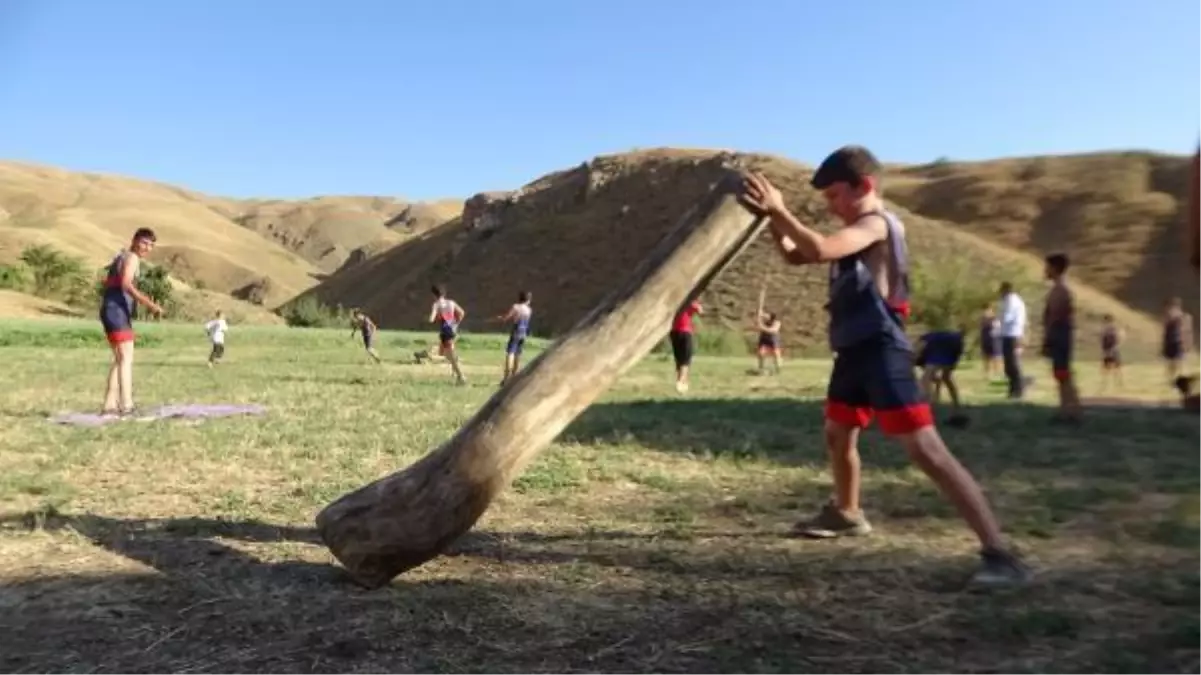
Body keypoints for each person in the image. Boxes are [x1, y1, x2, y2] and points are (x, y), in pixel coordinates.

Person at [740, 145, 1029, 587]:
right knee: (838, 434)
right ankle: (847, 512)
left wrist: (780, 210)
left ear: (866, 186)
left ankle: (999, 553)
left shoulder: (876, 224)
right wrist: (772, 221)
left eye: (836, 195)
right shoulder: (855, 227)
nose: (832, 206)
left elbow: (816, 249)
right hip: (853, 352)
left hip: (882, 351)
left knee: (925, 451)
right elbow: (796, 254)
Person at [99, 228, 164, 416]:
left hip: (111, 310)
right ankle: (126, 405)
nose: (147, 248)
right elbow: (126, 284)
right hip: (117, 311)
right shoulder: (132, 258)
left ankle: (109, 404)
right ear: (135, 240)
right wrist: (151, 305)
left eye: (151, 245)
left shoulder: (120, 257)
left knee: (120, 359)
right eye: (144, 243)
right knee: (126, 358)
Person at [1041, 253, 1081, 423]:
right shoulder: (1058, 289)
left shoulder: (1061, 291)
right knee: (1061, 374)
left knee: (1063, 374)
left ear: (1055, 268)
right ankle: (1067, 410)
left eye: (1048, 267)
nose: (1045, 270)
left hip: (1060, 336)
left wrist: (1048, 338)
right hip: (1060, 335)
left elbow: (1055, 316)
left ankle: (1072, 412)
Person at [915, 326, 968, 425]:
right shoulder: (923, 357)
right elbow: (936, 379)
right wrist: (936, 394)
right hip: (956, 343)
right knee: (946, 377)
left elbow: (917, 352)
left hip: (944, 344)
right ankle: (956, 406)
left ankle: (926, 410)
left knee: (925, 379)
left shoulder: (919, 348)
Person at [429, 285, 467, 384]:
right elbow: (462, 313)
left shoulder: (436, 304)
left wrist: (435, 317)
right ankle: (456, 372)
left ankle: (461, 376)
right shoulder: (451, 302)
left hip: (445, 331)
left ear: (434, 295)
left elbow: (431, 319)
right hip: (452, 330)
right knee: (445, 352)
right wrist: (456, 323)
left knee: (448, 354)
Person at [997, 282, 1027, 399]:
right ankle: (1013, 389)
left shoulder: (1011, 301)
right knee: (1009, 364)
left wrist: (998, 317)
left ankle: (1018, 389)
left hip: (1012, 334)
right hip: (1009, 334)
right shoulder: (1012, 300)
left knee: (1012, 363)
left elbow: (1006, 317)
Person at [497, 291, 533, 384]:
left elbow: (507, 317)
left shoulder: (516, 307)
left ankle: (506, 377)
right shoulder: (529, 310)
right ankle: (514, 376)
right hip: (523, 333)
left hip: (516, 331)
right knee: (518, 353)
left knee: (510, 353)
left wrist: (501, 318)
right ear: (528, 300)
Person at [669, 299, 702, 393]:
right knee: (683, 358)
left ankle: (682, 381)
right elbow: (700, 311)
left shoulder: (679, 301)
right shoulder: (688, 302)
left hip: (678, 332)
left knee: (682, 358)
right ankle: (681, 381)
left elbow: (699, 310)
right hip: (682, 332)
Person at [1162, 297, 1193, 384]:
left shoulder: (1182, 317)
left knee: (1180, 362)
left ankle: (1183, 379)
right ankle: (1171, 379)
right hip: (1170, 343)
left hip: (1178, 343)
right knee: (1170, 364)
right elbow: (1165, 332)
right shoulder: (1168, 318)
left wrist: (1187, 343)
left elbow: (1186, 331)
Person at [1099, 314, 1124, 391]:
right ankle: (1116, 384)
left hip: (1111, 350)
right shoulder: (1111, 330)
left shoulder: (1109, 331)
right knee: (1113, 368)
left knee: (1113, 368)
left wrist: (1111, 349)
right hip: (1112, 351)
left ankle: (1116, 384)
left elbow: (1115, 340)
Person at [754, 311, 783, 375]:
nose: (767, 318)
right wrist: (759, 316)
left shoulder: (777, 323)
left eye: (769, 317)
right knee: (761, 353)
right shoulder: (765, 319)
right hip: (764, 339)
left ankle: (778, 368)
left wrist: (762, 327)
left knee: (776, 354)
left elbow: (773, 330)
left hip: (773, 339)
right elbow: (762, 315)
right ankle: (761, 368)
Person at [979, 305, 1001, 381]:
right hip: (985, 340)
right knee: (986, 358)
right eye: (984, 311)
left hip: (994, 341)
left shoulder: (995, 319)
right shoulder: (982, 320)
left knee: (996, 358)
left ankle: (997, 373)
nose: (985, 312)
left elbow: (997, 330)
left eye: (987, 311)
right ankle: (987, 374)